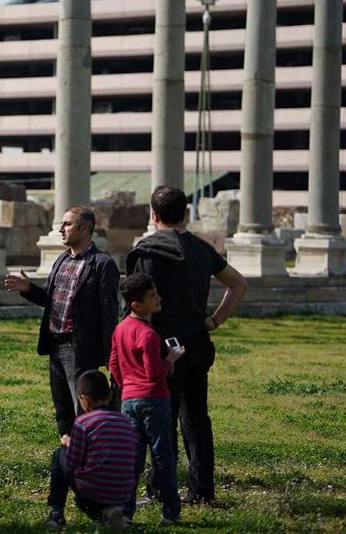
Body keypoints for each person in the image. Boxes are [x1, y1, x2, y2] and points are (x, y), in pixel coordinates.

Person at [126, 185, 248, 505]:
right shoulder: (201, 248)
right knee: (196, 420)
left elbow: (137, 305)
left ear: (153, 216)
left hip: (164, 347)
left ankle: (159, 490)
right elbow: (238, 284)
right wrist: (214, 320)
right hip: (196, 342)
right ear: (185, 213)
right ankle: (202, 491)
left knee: (161, 422)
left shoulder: (147, 252)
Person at [4, 206, 120, 436]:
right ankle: (68, 458)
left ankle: (88, 460)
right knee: (62, 410)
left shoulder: (102, 264)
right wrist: (29, 289)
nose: (60, 229)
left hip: (80, 348)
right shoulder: (61, 260)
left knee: (83, 408)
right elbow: (50, 298)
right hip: (54, 345)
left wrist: (111, 356)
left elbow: (109, 314)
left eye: (66, 224)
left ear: (84, 228)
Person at [109, 273, 184, 525]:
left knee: (132, 458)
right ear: (136, 305)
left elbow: (113, 364)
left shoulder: (120, 329)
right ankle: (171, 511)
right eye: (152, 296)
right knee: (162, 455)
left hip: (129, 399)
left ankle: (126, 511)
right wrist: (171, 360)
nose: (158, 298)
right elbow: (154, 372)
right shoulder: (148, 334)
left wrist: (126, 386)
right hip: (153, 399)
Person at [44, 370, 138, 532]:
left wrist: (69, 443)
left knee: (60, 454)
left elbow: (73, 462)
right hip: (124, 492)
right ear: (110, 395)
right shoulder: (126, 422)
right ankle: (110, 512)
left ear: (84, 399)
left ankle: (56, 514)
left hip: (93, 492)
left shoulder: (83, 422)